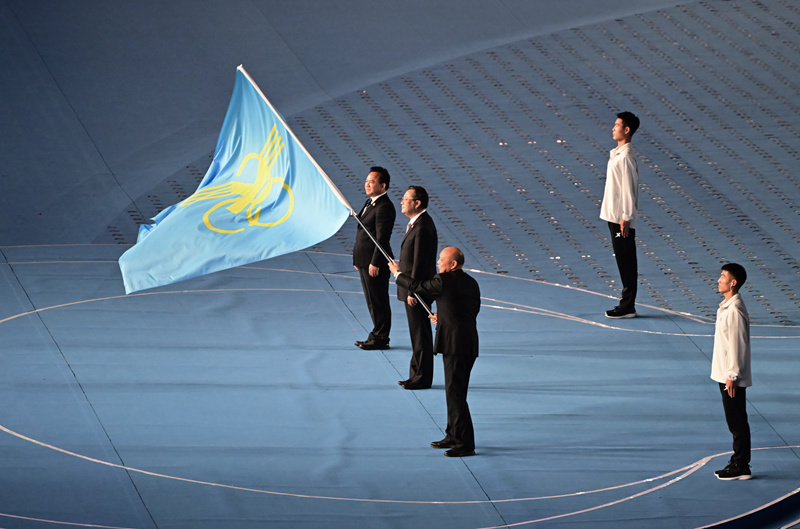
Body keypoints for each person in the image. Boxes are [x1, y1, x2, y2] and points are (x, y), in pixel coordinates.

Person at [389, 247, 481, 457]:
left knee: (456, 395)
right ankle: (452, 434)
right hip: (467, 343)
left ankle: (465, 443)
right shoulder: (470, 282)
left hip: (455, 345)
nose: (438, 262)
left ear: (453, 265)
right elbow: (469, 310)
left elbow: (416, 286)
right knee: (454, 392)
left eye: (441, 259)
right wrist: (445, 317)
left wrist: (397, 273)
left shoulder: (444, 281)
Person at [711, 263, 752, 480]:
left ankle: (741, 465)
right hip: (725, 374)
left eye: (723, 276)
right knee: (734, 420)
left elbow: (737, 344)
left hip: (730, 377)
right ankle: (738, 461)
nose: (719, 280)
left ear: (733, 283)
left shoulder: (734, 310)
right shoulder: (728, 305)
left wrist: (732, 375)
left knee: (737, 422)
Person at [396, 186, 438, 390]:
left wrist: (414, 291)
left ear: (417, 203)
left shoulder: (422, 226)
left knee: (420, 334)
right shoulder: (416, 224)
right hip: (413, 287)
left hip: (416, 289)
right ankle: (416, 374)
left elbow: (420, 262)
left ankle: (421, 378)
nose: (402, 202)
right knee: (416, 334)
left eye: (405, 199)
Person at [600, 111, 640, 319]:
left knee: (626, 260)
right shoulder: (618, 153)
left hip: (620, 218)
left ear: (627, 130)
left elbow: (628, 188)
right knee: (623, 259)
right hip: (614, 215)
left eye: (617, 125)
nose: (613, 128)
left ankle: (628, 305)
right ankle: (627, 302)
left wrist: (626, 215)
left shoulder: (625, 158)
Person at [353, 167, 396, 350]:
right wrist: (358, 259)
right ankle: (377, 334)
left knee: (378, 300)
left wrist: (375, 262)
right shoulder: (370, 203)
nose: (367, 184)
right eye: (366, 181)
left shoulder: (385, 207)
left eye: (372, 182)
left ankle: (380, 337)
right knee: (372, 300)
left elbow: (381, 238)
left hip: (374, 262)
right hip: (365, 260)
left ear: (383, 185)